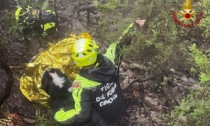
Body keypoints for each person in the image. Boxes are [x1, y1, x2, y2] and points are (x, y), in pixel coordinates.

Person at [53, 20, 145, 126]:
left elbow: (82, 115)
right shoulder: (110, 59)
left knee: (76, 107)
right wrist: (135, 25)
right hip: (120, 110)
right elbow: (120, 43)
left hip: (105, 120)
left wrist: (58, 115)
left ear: (76, 61)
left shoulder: (80, 84)